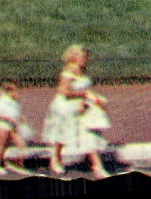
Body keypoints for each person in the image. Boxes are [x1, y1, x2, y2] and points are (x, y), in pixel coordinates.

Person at [42, 45, 111, 179]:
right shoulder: (68, 70)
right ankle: (55, 159)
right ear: (73, 56)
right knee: (62, 135)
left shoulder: (83, 70)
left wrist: (93, 98)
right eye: (81, 56)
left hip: (81, 108)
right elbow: (64, 92)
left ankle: (97, 166)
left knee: (89, 134)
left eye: (86, 57)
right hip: (65, 108)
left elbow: (86, 88)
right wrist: (84, 94)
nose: (85, 59)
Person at [0, 81, 31, 172]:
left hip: (12, 127)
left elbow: (16, 112)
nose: (18, 94)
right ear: (9, 92)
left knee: (22, 145)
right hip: (3, 127)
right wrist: (7, 118)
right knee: (3, 146)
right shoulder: (2, 101)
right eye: (16, 92)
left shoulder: (16, 101)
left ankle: (19, 164)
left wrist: (20, 118)